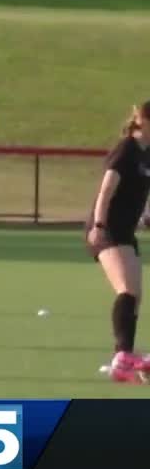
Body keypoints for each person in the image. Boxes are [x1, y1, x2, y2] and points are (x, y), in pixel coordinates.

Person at [85, 101, 150, 384]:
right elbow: (106, 189)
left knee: (135, 295)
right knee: (126, 290)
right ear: (145, 121)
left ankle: (122, 360)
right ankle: (123, 356)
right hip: (107, 229)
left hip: (125, 231)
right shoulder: (126, 150)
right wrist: (98, 225)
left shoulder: (147, 154)